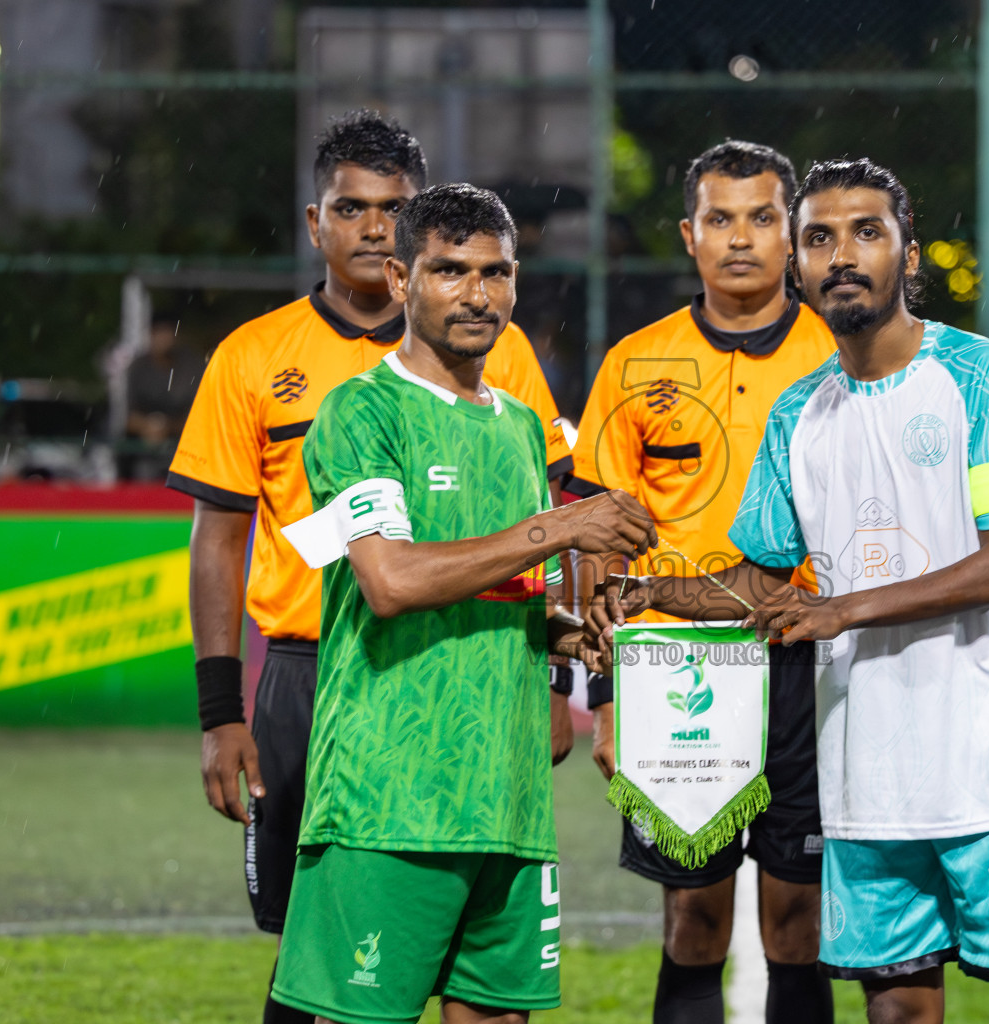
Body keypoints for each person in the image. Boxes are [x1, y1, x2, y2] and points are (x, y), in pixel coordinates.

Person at [594, 158, 989, 1024]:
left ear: (907, 251)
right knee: (896, 1009)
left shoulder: (984, 375)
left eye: (868, 232)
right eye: (821, 237)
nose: (843, 255)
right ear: (801, 261)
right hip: (867, 775)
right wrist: (652, 595)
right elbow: (761, 576)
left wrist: (843, 608)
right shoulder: (799, 413)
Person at [165, 110, 573, 1024]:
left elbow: (539, 518)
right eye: (352, 208)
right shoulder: (258, 357)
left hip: (475, 672)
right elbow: (221, 536)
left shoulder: (503, 371)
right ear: (317, 223)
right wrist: (220, 710)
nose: (374, 226)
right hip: (317, 675)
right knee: (317, 946)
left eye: (394, 208)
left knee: (468, 966)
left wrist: (554, 672)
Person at [270, 183, 656, 1024]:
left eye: (496, 272)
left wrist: (568, 633)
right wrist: (558, 527)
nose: (477, 294)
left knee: (497, 1017)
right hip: (390, 798)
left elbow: (508, 584)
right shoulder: (359, 412)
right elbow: (393, 581)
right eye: (450, 271)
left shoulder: (520, 425)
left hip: (510, 799)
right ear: (403, 279)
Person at [566, 140, 837, 1024]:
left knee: (801, 917)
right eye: (721, 218)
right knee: (693, 917)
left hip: (809, 663)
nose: (742, 238)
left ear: (793, 235)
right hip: (675, 668)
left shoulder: (843, 357)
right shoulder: (635, 365)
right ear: (690, 234)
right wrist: (603, 694)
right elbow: (599, 544)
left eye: (763, 218)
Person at [122, 312, 202, 479]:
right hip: (143, 450)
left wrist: (169, 427)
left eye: (167, 332)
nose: (163, 339)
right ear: (151, 335)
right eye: (159, 332)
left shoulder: (191, 367)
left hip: (185, 449)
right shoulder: (138, 367)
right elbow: (127, 416)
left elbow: (199, 416)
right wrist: (146, 426)